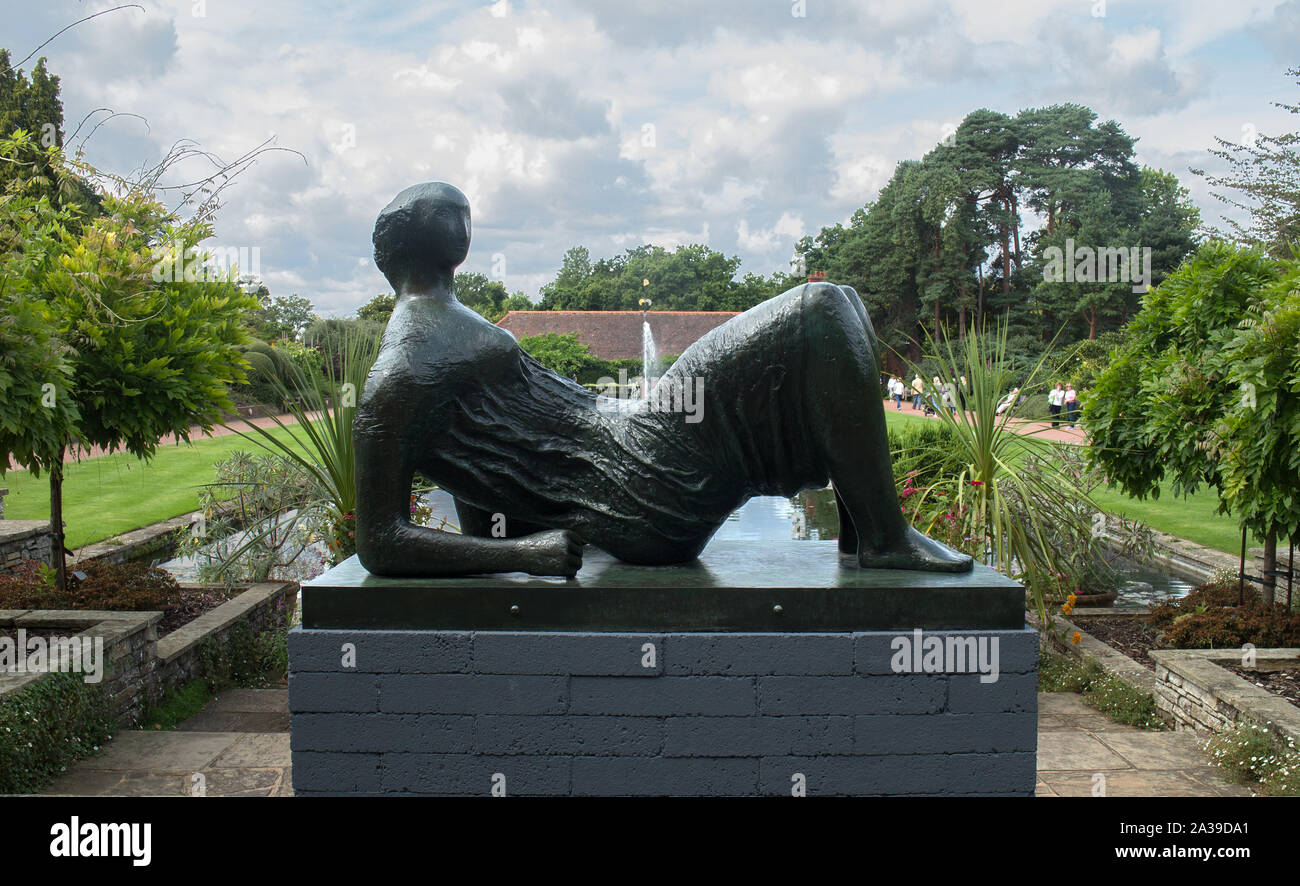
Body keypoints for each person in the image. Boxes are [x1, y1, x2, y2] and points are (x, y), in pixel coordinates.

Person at [354, 182, 973, 578]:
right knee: (821, 311)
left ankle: (865, 533)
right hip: (643, 481)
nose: (459, 206)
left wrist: (518, 531)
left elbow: (488, 463)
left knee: (845, 305)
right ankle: (886, 539)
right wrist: (518, 554)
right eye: (441, 206)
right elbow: (381, 542)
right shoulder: (401, 372)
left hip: (637, 451)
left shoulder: (446, 326)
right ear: (415, 238)